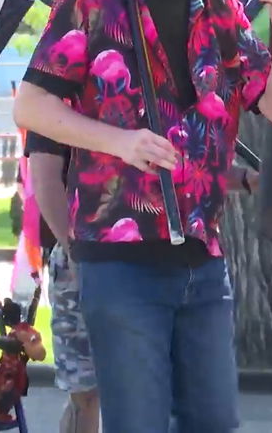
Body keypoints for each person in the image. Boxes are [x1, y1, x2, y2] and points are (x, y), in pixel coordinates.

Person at [13, 0, 272, 433]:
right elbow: (31, 105)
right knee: (138, 422)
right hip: (120, 262)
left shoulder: (218, 6)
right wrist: (118, 142)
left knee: (214, 422)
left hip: (201, 258)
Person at [25, 131, 259, 433]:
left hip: (169, 258)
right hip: (85, 255)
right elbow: (45, 181)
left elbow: (187, 166)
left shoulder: (155, 97)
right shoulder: (60, 98)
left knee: (168, 395)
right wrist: (74, 251)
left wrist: (243, 179)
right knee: (87, 390)